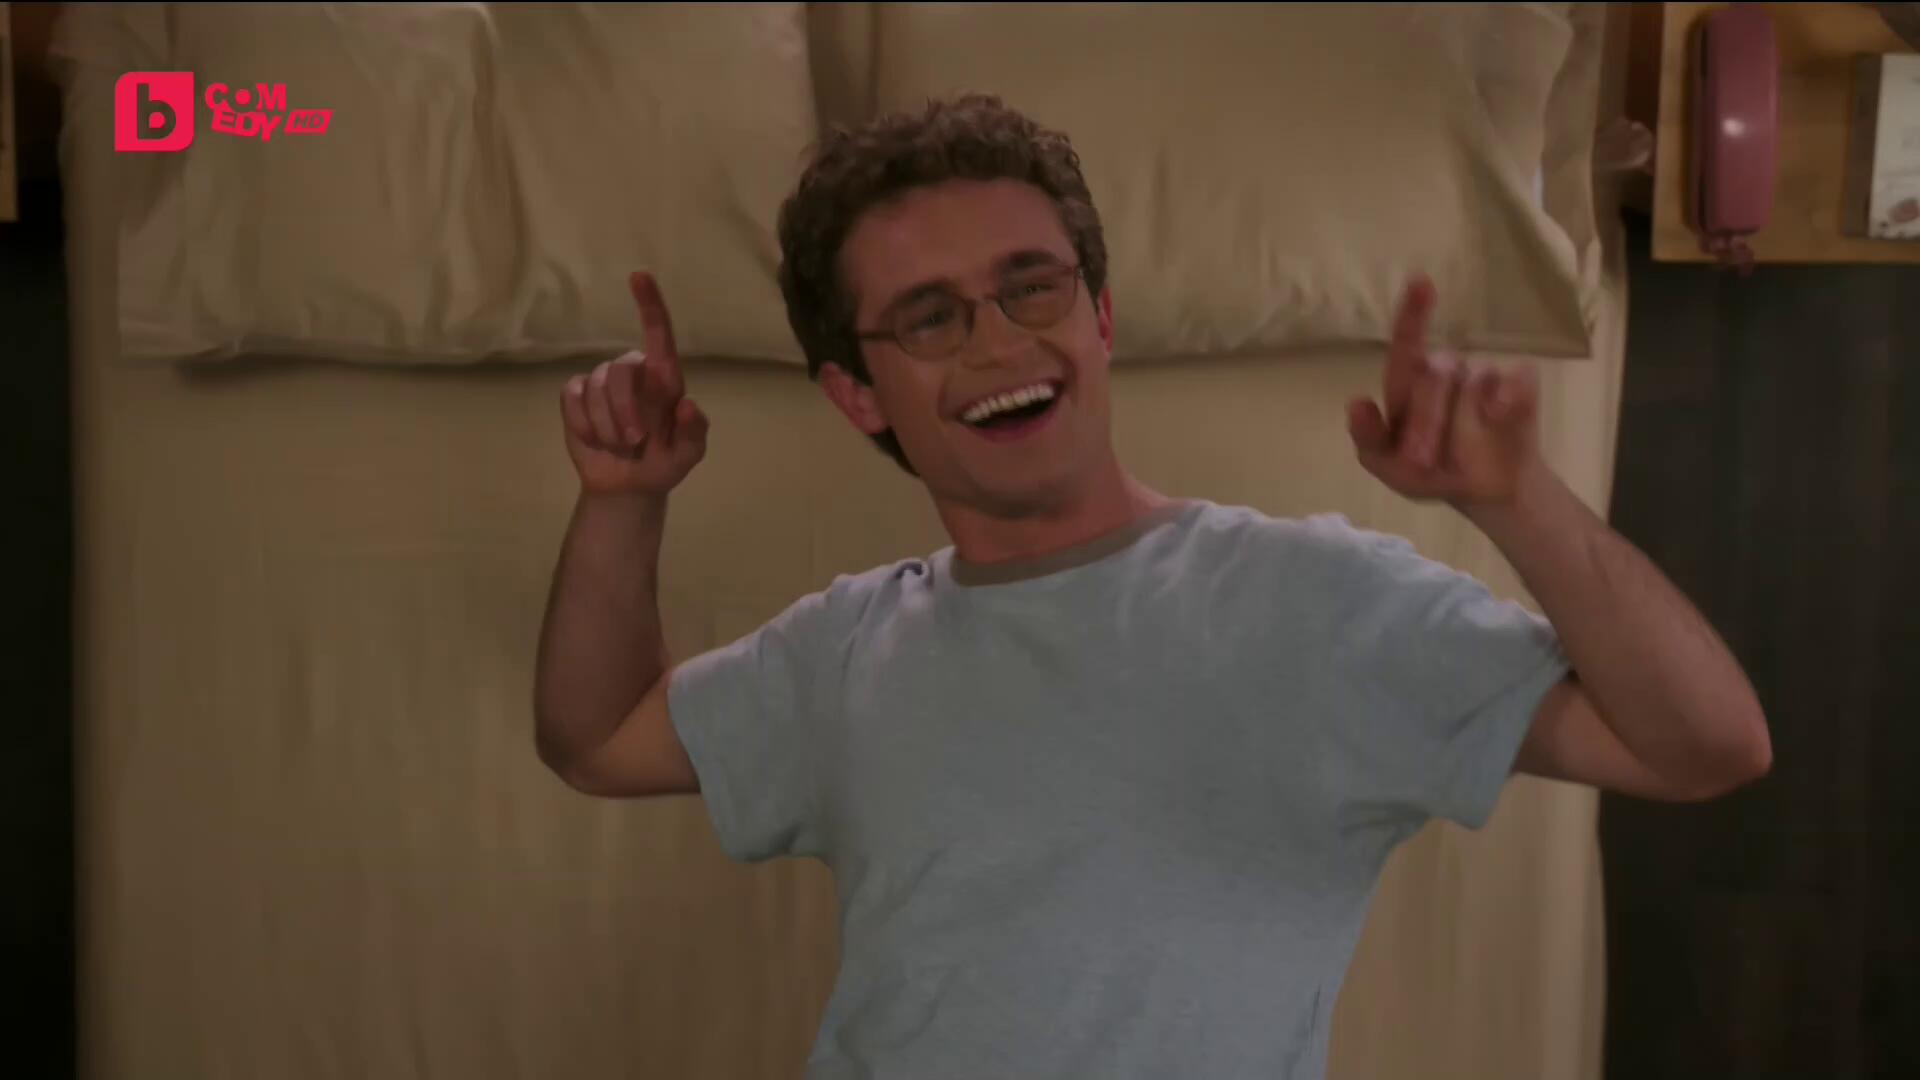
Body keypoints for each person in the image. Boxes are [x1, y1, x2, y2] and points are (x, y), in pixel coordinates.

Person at [533, 94, 1771, 1079]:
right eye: (929, 318)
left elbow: (1705, 745)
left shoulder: (1315, 604)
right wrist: (623, 501)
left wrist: (1516, 499)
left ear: (1102, 316)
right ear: (859, 396)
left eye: (1033, 285)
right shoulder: (849, 646)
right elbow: (595, 738)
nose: (1000, 341)